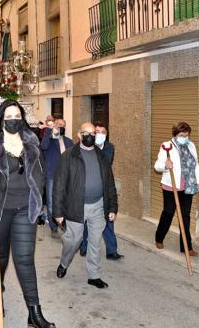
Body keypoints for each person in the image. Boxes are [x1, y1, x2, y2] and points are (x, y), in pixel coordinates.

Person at [0, 100, 55, 328]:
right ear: (1, 118)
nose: (13, 119)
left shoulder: (32, 142)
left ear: (22, 117)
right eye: (8, 116)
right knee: (0, 257)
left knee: (25, 259)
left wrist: (41, 199)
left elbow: (40, 172)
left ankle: (34, 313)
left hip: (25, 209)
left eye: (17, 115)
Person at [54, 122, 118, 289]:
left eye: (93, 134)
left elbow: (109, 182)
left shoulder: (102, 156)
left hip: (98, 206)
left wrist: (112, 207)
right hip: (76, 206)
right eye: (86, 133)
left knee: (95, 242)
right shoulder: (68, 156)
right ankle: (64, 263)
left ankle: (94, 275)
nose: (90, 136)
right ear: (79, 135)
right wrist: (58, 211)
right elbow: (59, 185)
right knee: (73, 240)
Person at [153, 122, 199, 256]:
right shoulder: (167, 146)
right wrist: (165, 165)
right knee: (168, 212)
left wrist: (198, 181)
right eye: (181, 135)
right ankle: (159, 237)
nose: (184, 137)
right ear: (175, 135)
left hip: (187, 186)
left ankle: (186, 247)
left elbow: (196, 164)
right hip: (171, 186)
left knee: (185, 216)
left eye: (186, 135)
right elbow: (157, 165)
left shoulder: (191, 145)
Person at [79, 121, 123, 260]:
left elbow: (105, 161)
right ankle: (84, 246)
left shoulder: (109, 147)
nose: (100, 135)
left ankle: (112, 250)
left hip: (105, 188)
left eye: (103, 133)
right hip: (89, 190)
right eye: (97, 132)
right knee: (86, 220)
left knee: (109, 220)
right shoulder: (84, 147)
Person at [40, 117, 73, 237]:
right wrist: (49, 130)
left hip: (66, 176)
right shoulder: (49, 141)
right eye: (58, 125)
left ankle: (63, 223)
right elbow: (43, 146)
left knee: (65, 201)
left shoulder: (69, 141)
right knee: (51, 202)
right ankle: (53, 227)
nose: (61, 127)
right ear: (54, 125)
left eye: (63, 125)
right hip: (51, 176)